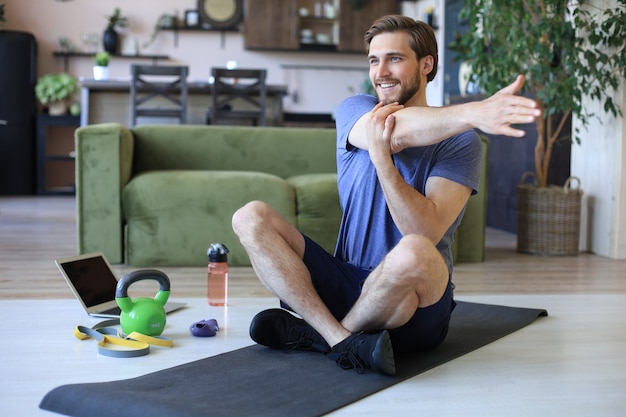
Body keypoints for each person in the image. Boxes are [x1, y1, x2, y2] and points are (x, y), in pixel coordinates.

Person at [232, 15, 540, 376]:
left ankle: (319, 333)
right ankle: (339, 340)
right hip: (347, 281)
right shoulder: (355, 109)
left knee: (415, 251)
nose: (381, 72)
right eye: (374, 60)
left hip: (416, 302)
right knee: (250, 216)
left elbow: (422, 233)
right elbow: (392, 133)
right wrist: (474, 111)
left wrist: (381, 160)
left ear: (426, 64)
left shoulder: (461, 142)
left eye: (394, 58)